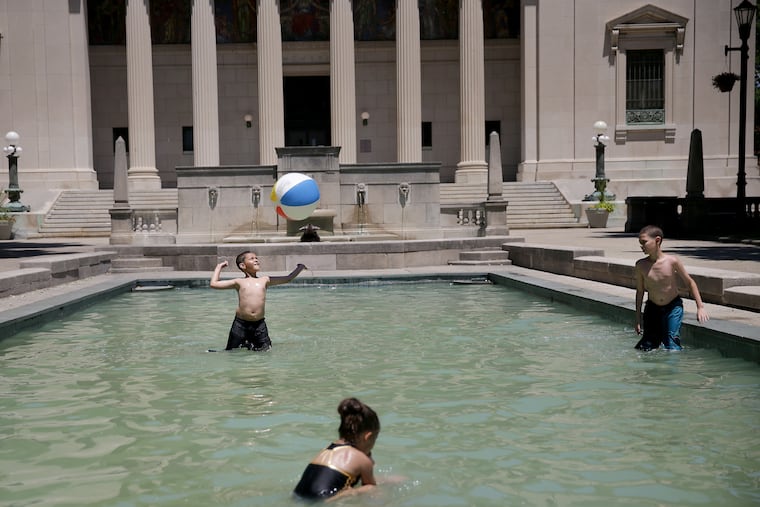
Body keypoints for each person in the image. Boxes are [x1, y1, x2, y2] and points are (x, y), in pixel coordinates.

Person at [210, 251, 306, 351]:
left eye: (256, 258)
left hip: (259, 325)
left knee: (266, 350)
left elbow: (288, 278)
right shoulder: (239, 282)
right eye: (251, 258)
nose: (256, 260)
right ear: (242, 265)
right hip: (240, 324)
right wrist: (219, 267)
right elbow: (214, 284)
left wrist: (300, 267)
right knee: (231, 351)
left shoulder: (265, 280)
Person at [634, 225, 709, 351]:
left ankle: (673, 367)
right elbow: (640, 291)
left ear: (657, 240)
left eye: (644, 242)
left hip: (672, 306)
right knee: (646, 346)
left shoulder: (672, 261)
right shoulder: (641, 265)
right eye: (640, 243)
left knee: (671, 342)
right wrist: (637, 318)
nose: (641, 246)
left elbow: (690, 282)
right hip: (652, 307)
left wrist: (700, 307)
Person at [293, 398, 380, 502]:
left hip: (297, 494)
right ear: (368, 437)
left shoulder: (326, 451)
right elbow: (371, 486)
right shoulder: (362, 459)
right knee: (371, 488)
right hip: (323, 500)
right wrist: (355, 491)